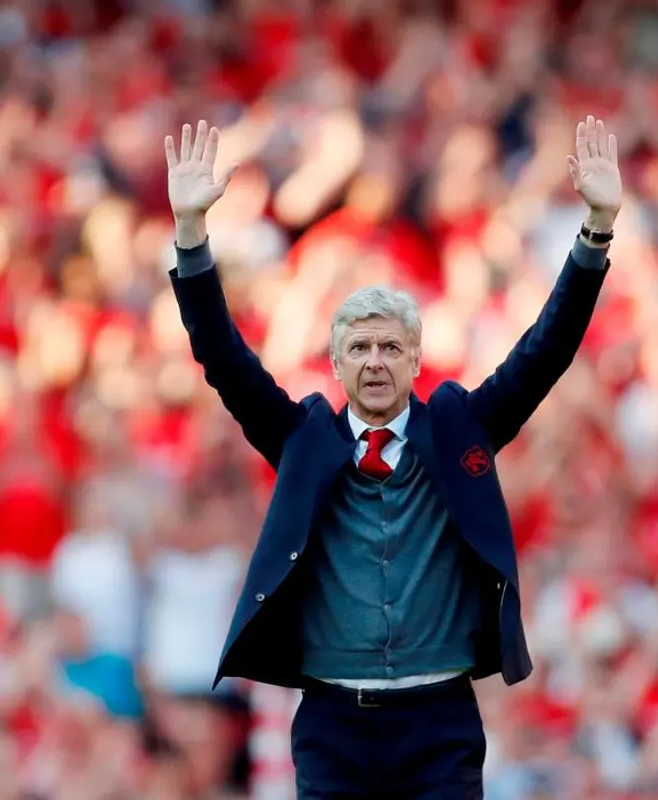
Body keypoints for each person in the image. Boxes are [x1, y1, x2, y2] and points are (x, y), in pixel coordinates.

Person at [163, 115, 623, 798]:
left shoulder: (458, 428)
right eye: (359, 348)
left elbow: (544, 352)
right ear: (337, 363)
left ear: (414, 358)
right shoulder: (304, 439)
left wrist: (596, 228)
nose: (374, 361)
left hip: (438, 719)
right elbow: (222, 357)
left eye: (389, 347)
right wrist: (193, 236)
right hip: (332, 722)